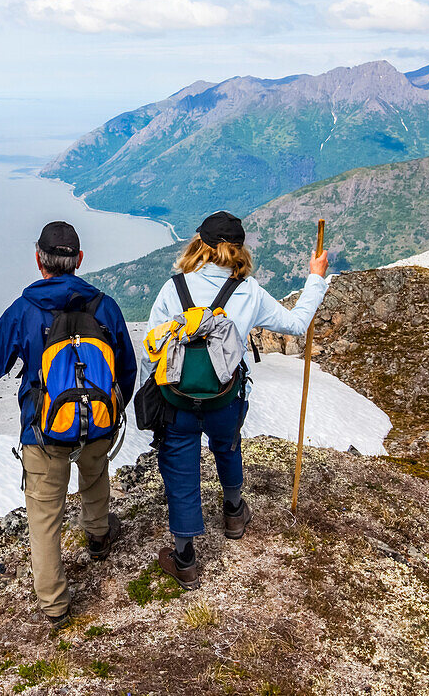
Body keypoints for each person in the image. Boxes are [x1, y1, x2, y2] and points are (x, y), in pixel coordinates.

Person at [0, 221, 137, 629]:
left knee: (44, 514)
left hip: (43, 430)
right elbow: (126, 366)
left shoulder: (24, 311)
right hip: (97, 421)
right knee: (94, 475)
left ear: (39, 260)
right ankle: (98, 537)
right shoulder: (104, 307)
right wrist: (112, 407)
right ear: (79, 261)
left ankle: (54, 603)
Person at [142, 210, 328, 589]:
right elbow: (295, 324)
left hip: (176, 401)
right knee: (227, 446)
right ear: (238, 251)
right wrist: (315, 279)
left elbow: (150, 350)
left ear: (199, 246)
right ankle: (233, 513)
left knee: (180, 465)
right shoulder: (248, 291)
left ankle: (185, 559)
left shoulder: (172, 288)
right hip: (225, 397)